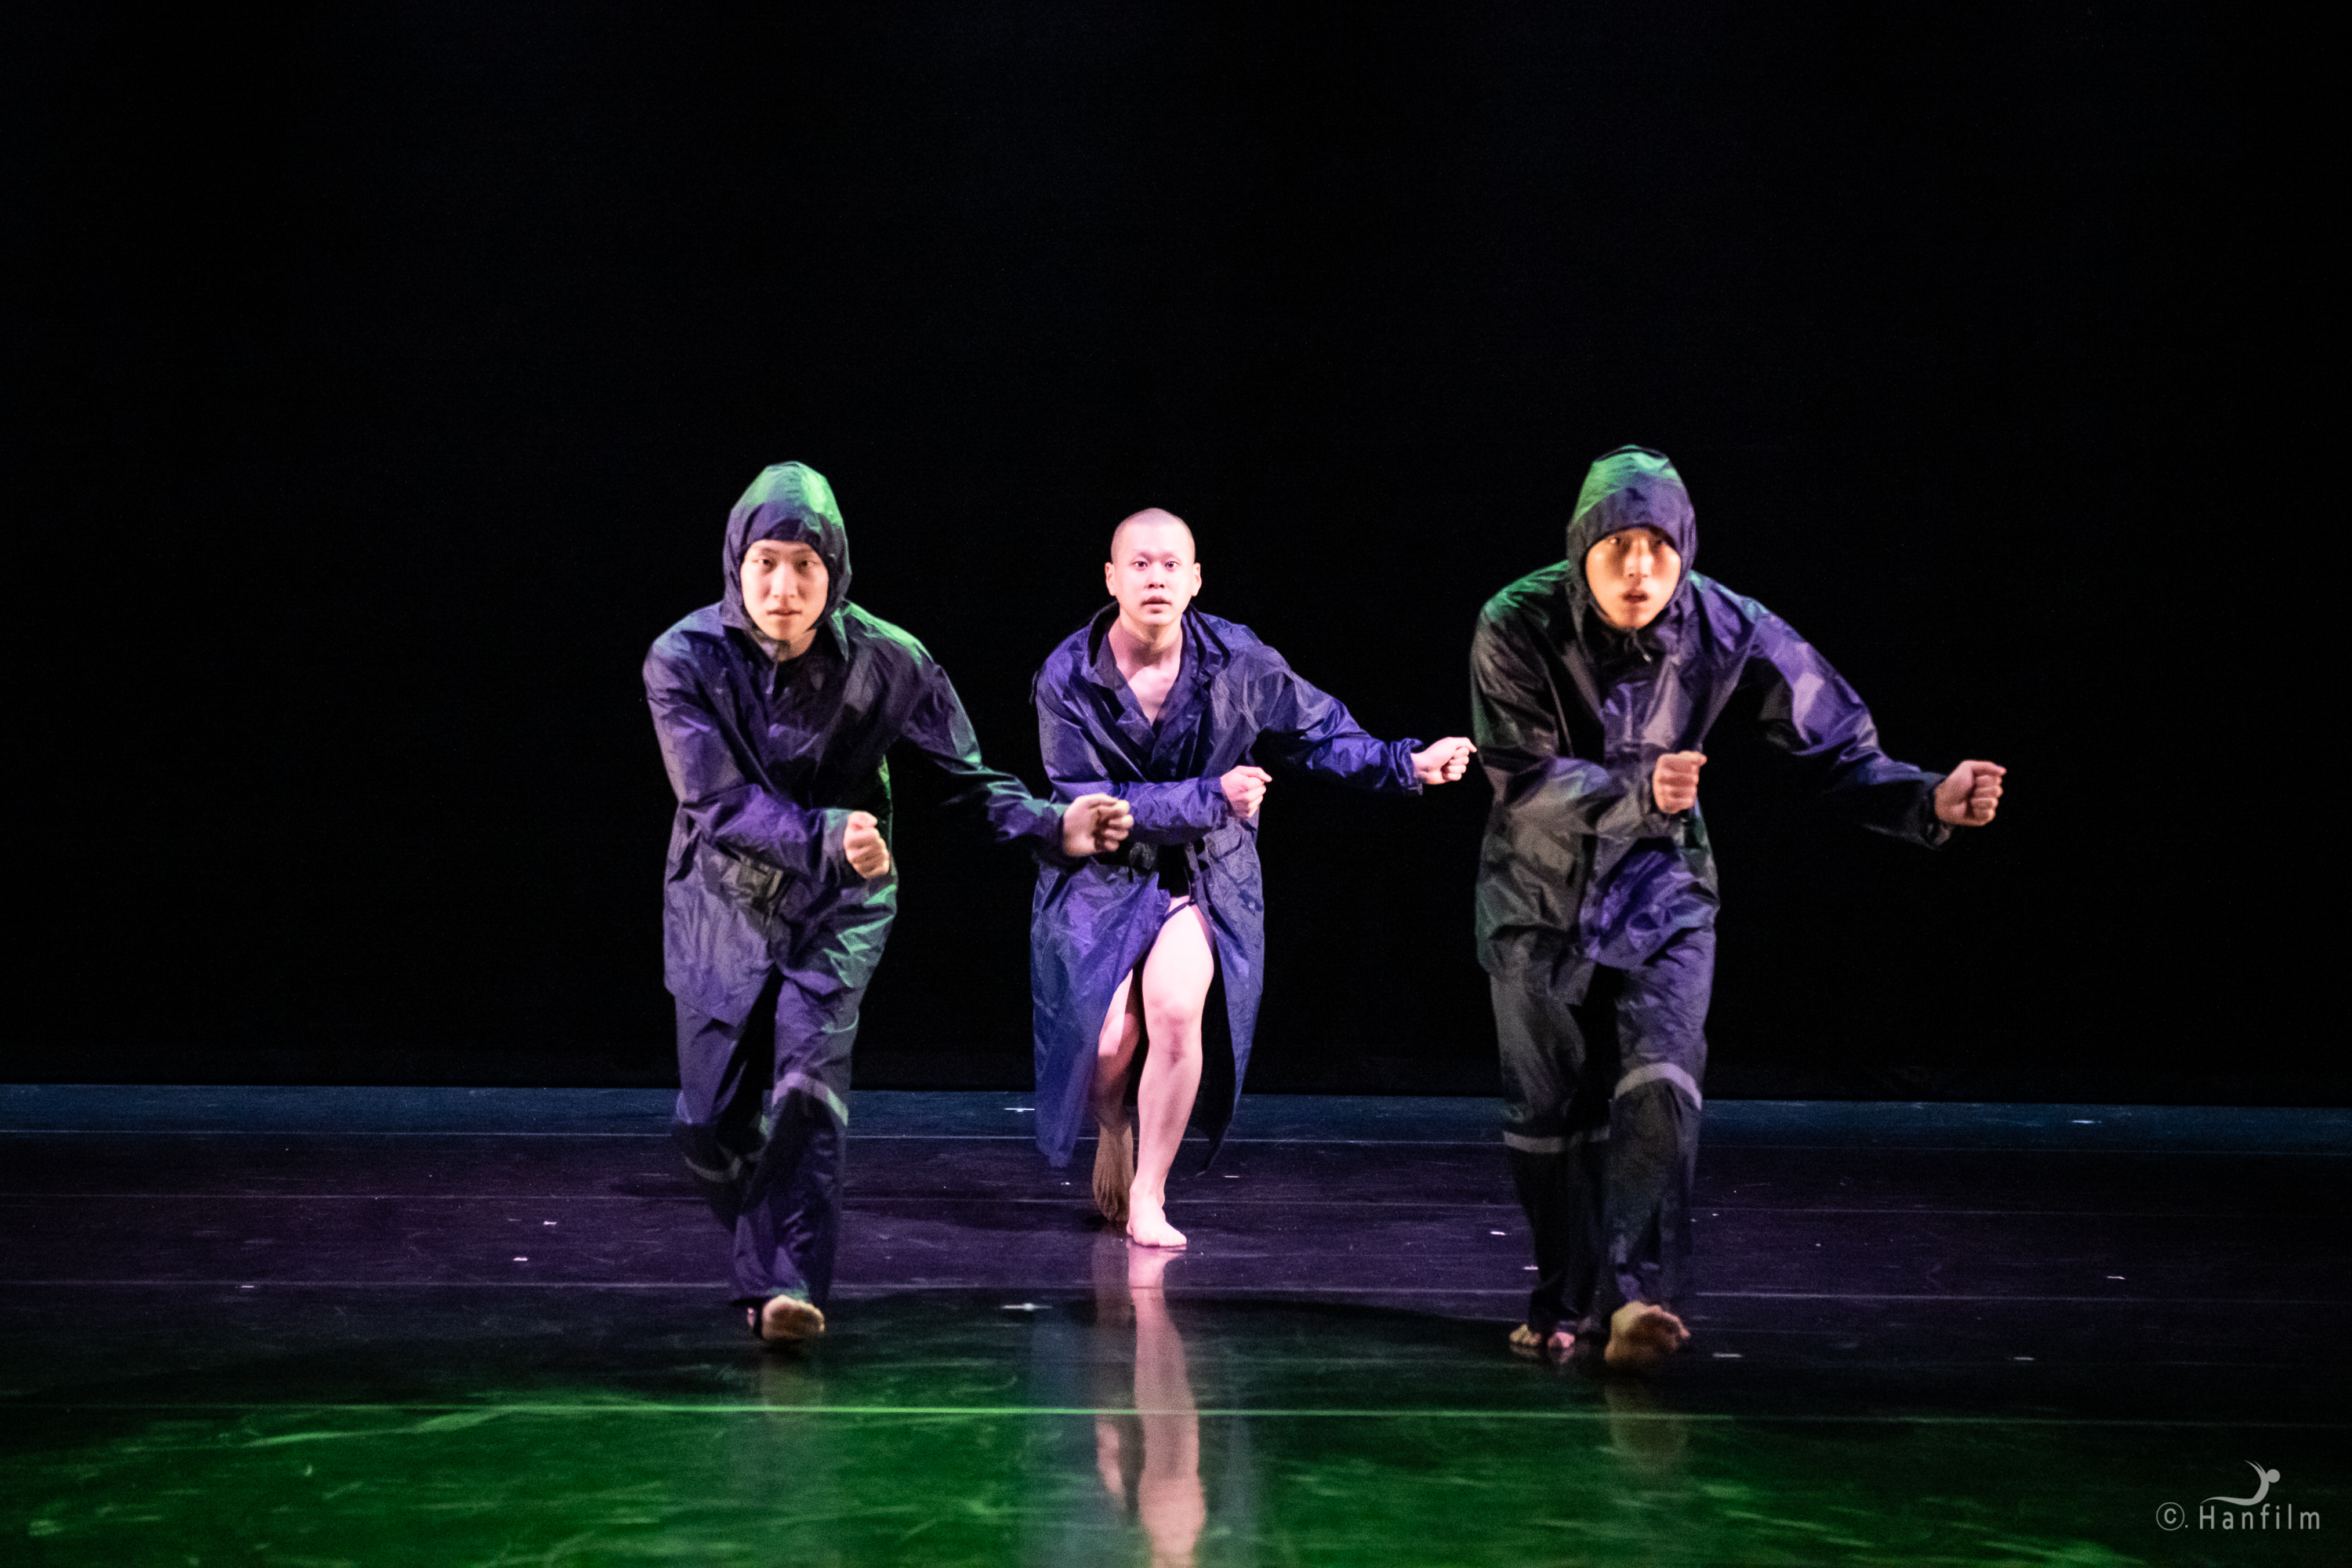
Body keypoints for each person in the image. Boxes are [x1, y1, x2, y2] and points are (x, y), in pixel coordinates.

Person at [1472, 446, 2005, 1372]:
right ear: (1581, 546)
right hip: (1537, 891)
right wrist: (1640, 791)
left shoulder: (1726, 625)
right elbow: (1521, 774)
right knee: (1549, 1109)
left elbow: (1833, 741)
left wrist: (1925, 798)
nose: (1638, 568)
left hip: (1665, 889)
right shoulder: (1515, 620)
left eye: (1657, 546)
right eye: (1616, 546)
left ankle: (1632, 1298)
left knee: (1661, 1080)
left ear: (1683, 548)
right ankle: (1561, 1297)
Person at [645, 461, 1133, 1345]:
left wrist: (1053, 824)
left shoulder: (890, 658)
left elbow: (963, 780)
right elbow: (715, 801)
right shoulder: (683, 658)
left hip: (841, 907)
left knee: (807, 1085)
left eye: (805, 565)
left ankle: (789, 1287)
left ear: (834, 568)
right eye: (765, 564)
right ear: (736, 564)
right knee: (710, 1121)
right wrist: (828, 833)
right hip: (721, 902)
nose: (784, 588)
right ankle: (767, 1261)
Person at [1030, 507, 1476, 1247]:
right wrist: (1212, 795)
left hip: (1205, 872)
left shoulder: (1239, 659)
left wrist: (1407, 763)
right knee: (1105, 1052)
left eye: (1171, 565)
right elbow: (1089, 803)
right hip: (1104, 877)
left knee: (1176, 1009)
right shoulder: (1066, 675)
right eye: (1139, 564)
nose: (1155, 578)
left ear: (1195, 580)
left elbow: (1320, 731)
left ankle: (1149, 1195)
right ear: (1111, 578)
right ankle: (1114, 1128)